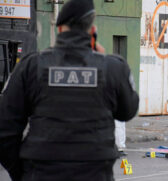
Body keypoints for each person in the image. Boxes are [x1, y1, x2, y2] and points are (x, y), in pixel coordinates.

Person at [0, 0, 139, 180]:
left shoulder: (31, 67)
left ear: (59, 30)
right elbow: (128, 111)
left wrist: (23, 173)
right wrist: (106, 65)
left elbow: (5, 131)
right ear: (92, 31)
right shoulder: (112, 68)